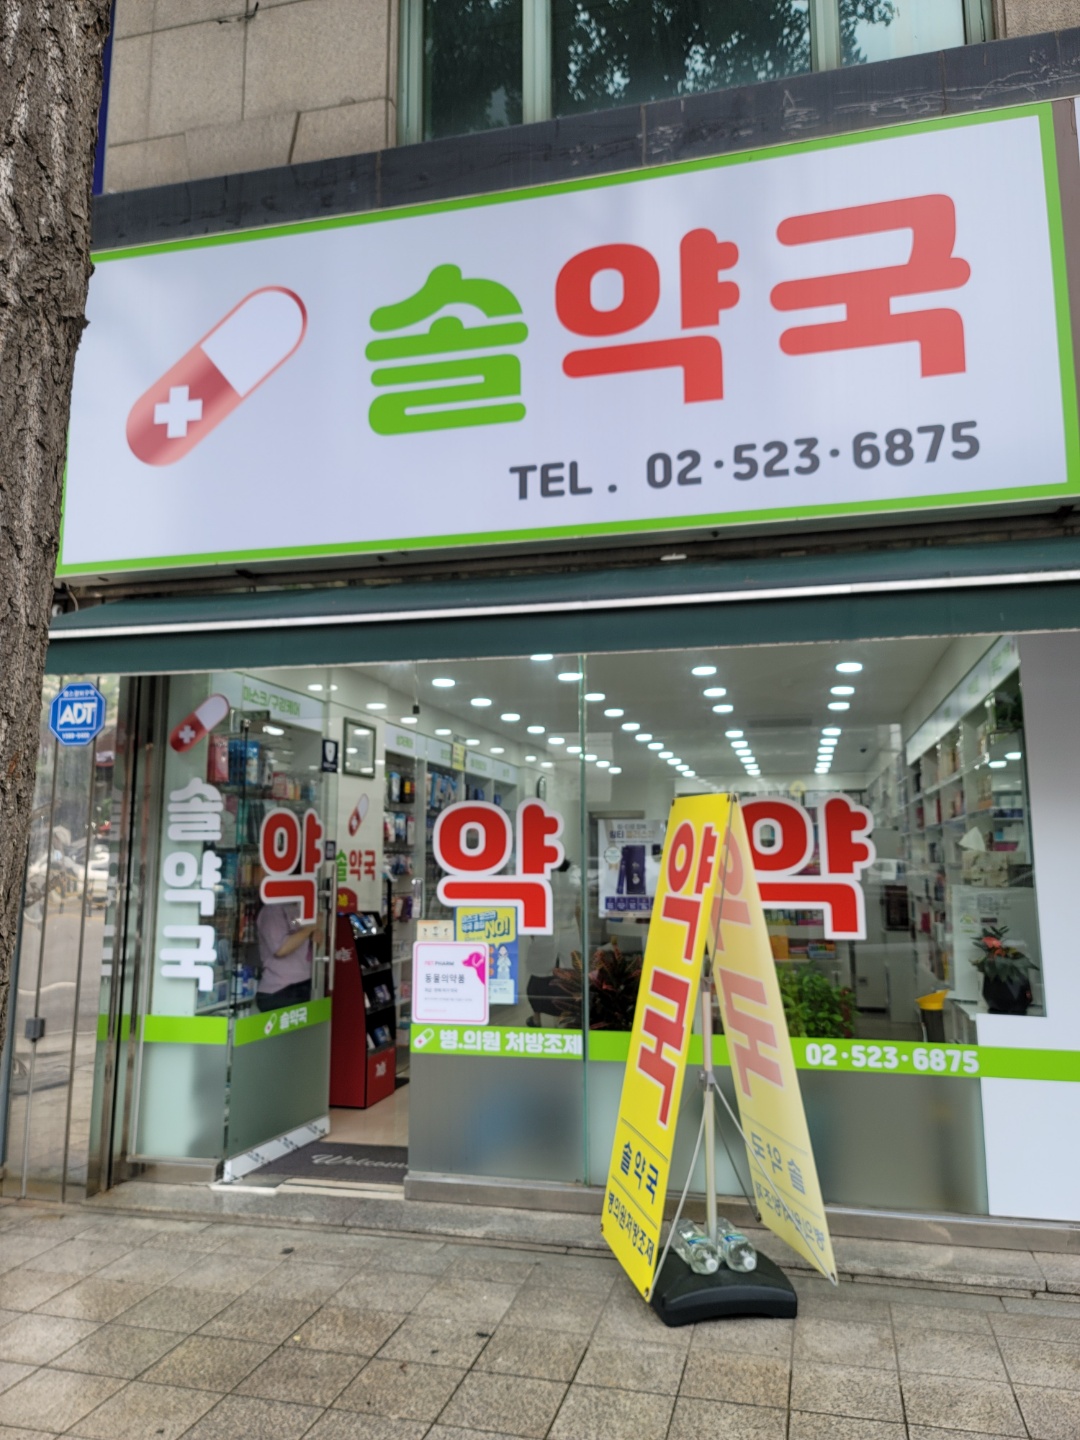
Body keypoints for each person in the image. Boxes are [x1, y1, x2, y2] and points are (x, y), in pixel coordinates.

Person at [255, 899, 315, 1012]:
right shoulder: (272, 910)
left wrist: (313, 933)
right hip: (281, 989)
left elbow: (297, 926)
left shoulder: (296, 908)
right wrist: (310, 928)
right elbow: (281, 949)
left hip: (304, 982)